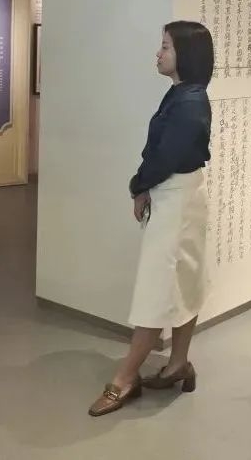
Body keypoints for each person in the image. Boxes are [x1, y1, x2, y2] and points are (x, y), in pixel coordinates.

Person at [89, 21, 214, 417]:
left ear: (185, 54)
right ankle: (178, 364)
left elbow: (165, 157)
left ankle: (126, 377)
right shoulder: (182, 94)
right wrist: (143, 186)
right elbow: (161, 153)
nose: (158, 54)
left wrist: (138, 184)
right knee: (182, 281)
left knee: (157, 288)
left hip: (178, 198)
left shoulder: (189, 101)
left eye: (165, 47)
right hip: (177, 195)